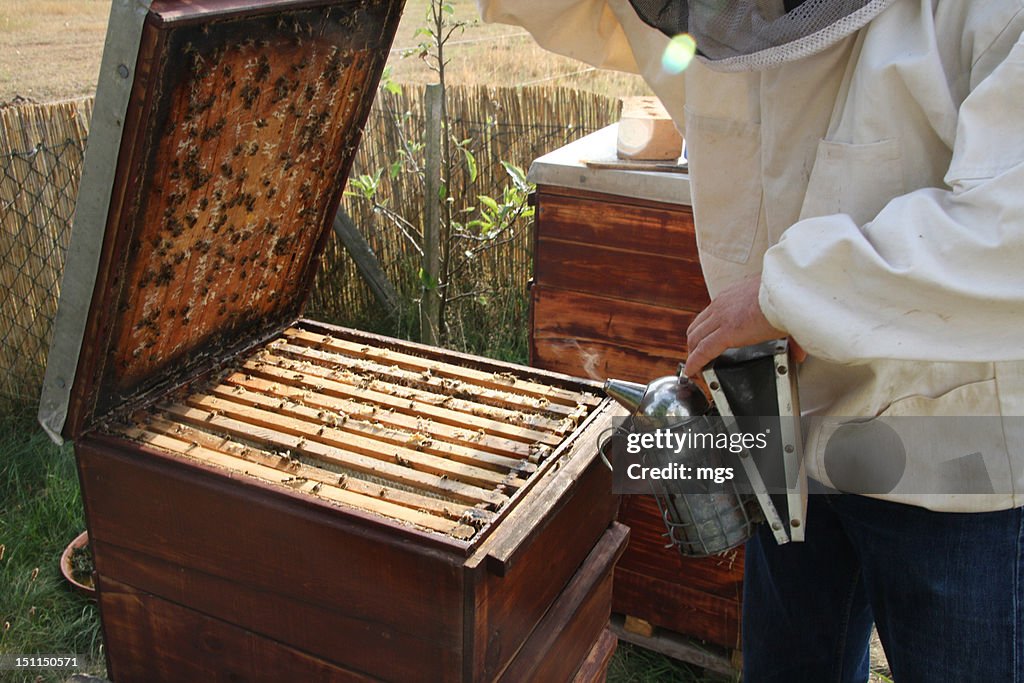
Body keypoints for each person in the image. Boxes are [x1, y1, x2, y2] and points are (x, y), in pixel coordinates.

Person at [477, 1, 1024, 680]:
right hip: (780, 423)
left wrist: (786, 297)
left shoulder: (983, 15)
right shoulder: (723, 18)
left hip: (945, 441)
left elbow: (1010, 235)